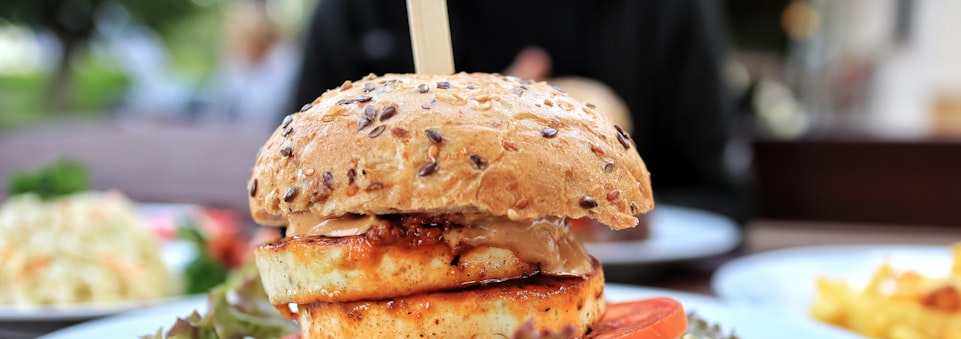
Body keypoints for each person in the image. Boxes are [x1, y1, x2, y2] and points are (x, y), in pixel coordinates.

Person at [288, 0, 751, 224]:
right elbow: (296, 179)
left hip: (660, 283)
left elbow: (721, 196)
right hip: (373, 272)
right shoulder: (355, 9)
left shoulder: (670, 11)